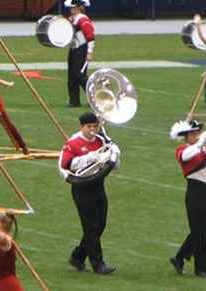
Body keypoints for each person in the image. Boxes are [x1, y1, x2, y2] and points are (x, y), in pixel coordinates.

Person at [58, 112, 117, 274]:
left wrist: (114, 154)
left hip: (98, 185)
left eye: (95, 126)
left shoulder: (101, 141)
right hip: (82, 187)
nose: (92, 130)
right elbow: (67, 164)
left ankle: (77, 256)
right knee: (91, 226)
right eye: (89, 127)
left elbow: (114, 165)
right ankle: (98, 264)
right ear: (81, 127)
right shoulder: (73, 143)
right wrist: (90, 157)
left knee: (100, 224)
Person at [169, 120, 206, 278]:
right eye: (193, 134)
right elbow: (187, 156)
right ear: (186, 137)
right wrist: (201, 143)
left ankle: (179, 257)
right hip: (196, 194)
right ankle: (201, 269)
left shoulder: (203, 150)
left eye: (197, 134)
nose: (196, 136)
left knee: (201, 230)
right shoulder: (182, 149)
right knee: (199, 233)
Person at [65, 0, 94, 107]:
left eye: (73, 7)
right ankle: (74, 101)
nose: (71, 9)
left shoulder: (83, 19)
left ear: (78, 8)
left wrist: (90, 52)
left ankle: (95, 97)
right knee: (71, 76)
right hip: (73, 49)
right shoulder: (72, 19)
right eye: (71, 7)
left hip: (82, 49)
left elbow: (90, 37)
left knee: (80, 75)